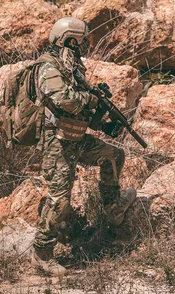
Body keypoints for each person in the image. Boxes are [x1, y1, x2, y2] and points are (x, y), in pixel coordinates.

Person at [31, 17, 137, 275]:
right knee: (59, 202)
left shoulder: (73, 68)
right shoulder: (49, 67)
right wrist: (90, 99)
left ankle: (112, 209)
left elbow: (81, 111)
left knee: (113, 155)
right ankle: (41, 254)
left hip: (76, 139)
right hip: (57, 144)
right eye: (80, 42)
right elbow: (62, 99)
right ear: (69, 40)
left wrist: (103, 123)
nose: (84, 46)